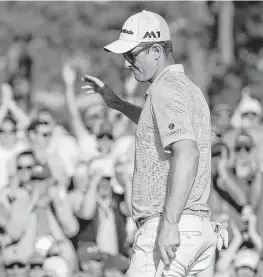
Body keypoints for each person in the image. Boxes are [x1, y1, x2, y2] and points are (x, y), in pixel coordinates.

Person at [82, 10, 217, 277]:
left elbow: (187, 153)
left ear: (156, 50)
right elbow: (157, 126)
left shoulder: (164, 89)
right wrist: (118, 105)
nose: (126, 63)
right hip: (196, 228)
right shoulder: (187, 88)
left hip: (169, 227)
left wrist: (169, 223)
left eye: (132, 55)